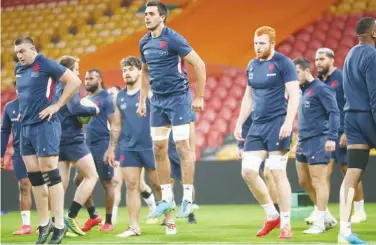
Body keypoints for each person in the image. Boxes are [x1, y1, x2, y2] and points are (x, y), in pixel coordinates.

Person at [137, 0, 206, 229]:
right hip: (157, 101)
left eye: (151, 14)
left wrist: (199, 97)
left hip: (179, 98)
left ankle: (187, 198)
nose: (146, 17)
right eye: (145, 14)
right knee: (158, 148)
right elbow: (145, 71)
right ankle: (167, 199)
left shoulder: (174, 38)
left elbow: (199, 64)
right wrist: (142, 100)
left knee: (182, 146)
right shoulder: (144, 42)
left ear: (162, 17)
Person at [234, 26, 300, 239]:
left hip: (278, 123)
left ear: (272, 43)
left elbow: (294, 95)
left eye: (262, 43)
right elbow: (248, 98)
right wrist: (238, 123)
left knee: (276, 172)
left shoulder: (284, 63)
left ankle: (286, 224)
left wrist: (288, 123)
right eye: (255, 43)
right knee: (248, 172)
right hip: (257, 126)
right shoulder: (252, 65)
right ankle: (272, 215)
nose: (257, 47)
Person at [14, 36, 81, 244]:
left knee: (50, 173)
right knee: (34, 177)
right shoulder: (18, 68)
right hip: (26, 127)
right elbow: (25, 94)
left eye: (23, 51)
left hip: (45, 125)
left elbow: (75, 81)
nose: (19, 56)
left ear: (33, 49)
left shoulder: (45, 64)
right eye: (17, 52)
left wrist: (57, 105)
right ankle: (45, 223)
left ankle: (59, 224)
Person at [104, 56, 163, 237]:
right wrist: (112, 148)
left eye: (130, 69)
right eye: (124, 70)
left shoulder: (150, 93)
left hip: (150, 146)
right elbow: (116, 124)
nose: (126, 73)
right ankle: (134, 226)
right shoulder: (119, 96)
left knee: (158, 185)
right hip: (128, 147)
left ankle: (168, 219)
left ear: (139, 71)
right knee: (131, 185)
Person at [312, 48, 366, 224]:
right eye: (316, 60)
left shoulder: (342, 78)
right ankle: (322, 212)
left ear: (332, 60)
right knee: (323, 173)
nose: (317, 63)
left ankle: (359, 210)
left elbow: (351, 103)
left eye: (321, 59)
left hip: (343, 131)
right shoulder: (317, 82)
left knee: (348, 171)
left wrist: (347, 131)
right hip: (324, 134)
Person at [338, 17, 376, 245]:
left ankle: (344, 231)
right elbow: (374, 93)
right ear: (373, 31)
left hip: (351, 117)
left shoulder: (350, 54)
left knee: (352, 173)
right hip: (368, 116)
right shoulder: (372, 55)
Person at [294, 57, 339, 234]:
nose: (294, 76)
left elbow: (334, 112)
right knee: (304, 181)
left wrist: (331, 137)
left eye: (296, 72)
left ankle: (319, 222)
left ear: (306, 70)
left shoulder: (321, 89)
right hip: (303, 140)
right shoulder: (301, 90)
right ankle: (326, 216)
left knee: (319, 181)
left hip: (319, 139)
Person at [55, 56, 99, 236]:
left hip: (58, 138)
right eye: (76, 69)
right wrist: (93, 110)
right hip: (72, 138)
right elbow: (75, 109)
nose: (78, 72)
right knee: (91, 176)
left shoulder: (55, 87)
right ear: (67, 71)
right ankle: (71, 216)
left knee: (61, 185)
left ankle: (56, 223)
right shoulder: (70, 86)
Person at [107, 86, 159, 225]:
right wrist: (111, 149)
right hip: (122, 147)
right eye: (109, 93)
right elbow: (115, 127)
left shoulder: (140, 97)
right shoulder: (111, 109)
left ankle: (155, 209)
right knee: (117, 182)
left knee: (144, 184)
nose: (110, 95)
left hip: (142, 145)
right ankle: (113, 218)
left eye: (113, 93)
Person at [75, 69, 117, 232]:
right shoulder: (85, 100)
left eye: (91, 78)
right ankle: (93, 216)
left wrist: (111, 148)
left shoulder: (107, 98)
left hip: (102, 144)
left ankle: (108, 222)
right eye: (85, 79)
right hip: (85, 145)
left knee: (107, 183)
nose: (87, 81)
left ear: (100, 79)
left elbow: (114, 124)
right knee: (79, 181)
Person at [1, 81, 33, 236]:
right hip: (19, 153)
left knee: (44, 188)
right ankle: (26, 225)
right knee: (24, 186)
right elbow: (4, 132)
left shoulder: (38, 104)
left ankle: (46, 222)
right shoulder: (10, 107)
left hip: (39, 152)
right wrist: (1, 154)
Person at [237, 113, 280, 213]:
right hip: (257, 141)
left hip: (275, 134)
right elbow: (245, 124)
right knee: (251, 173)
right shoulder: (252, 103)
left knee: (269, 174)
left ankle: (278, 211)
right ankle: (274, 212)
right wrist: (240, 146)